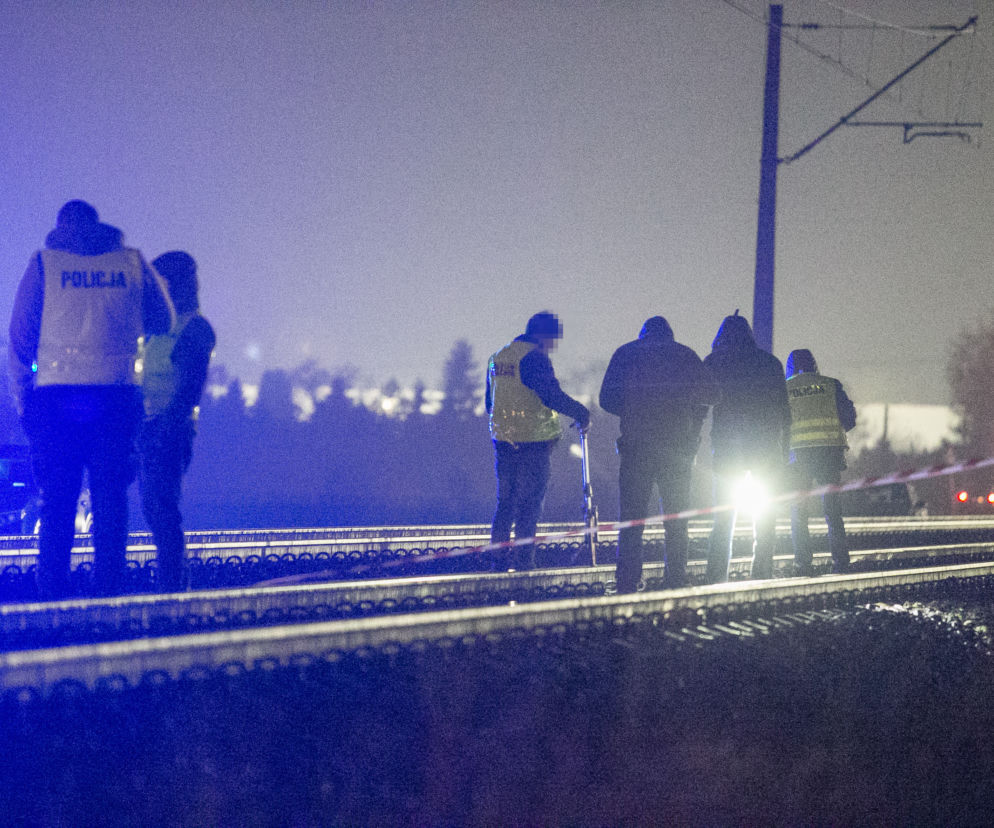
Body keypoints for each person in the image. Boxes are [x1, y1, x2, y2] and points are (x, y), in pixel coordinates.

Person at [8, 200, 174, 599]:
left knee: (57, 499)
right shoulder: (132, 263)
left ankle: (52, 591)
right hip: (116, 396)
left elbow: (20, 337)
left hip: (54, 399)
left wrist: (24, 398)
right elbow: (164, 319)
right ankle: (108, 590)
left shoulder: (44, 265)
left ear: (60, 226)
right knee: (111, 497)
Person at [599, 316, 719, 593]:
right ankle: (675, 580)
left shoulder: (625, 353)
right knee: (676, 520)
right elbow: (714, 394)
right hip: (676, 449)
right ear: (669, 334)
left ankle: (627, 581)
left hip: (636, 447)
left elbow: (606, 399)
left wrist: (631, 409)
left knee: (632, 520)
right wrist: (686, 405)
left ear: (643, 334)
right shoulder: (685, 354)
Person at [486, 311, 590, 570]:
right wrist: (581, 412)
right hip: (533, 441)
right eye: (553, 338)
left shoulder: (498, 357)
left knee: (505, 503)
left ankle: (498, 562)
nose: (554, 344)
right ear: (543, 335)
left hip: (503, 441)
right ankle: (524, 563)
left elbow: (490, 402)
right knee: (529, 505)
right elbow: (550, 395)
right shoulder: (534, 358)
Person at [139, 251, 216, 591]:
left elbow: (188, 389)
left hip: (169, 431)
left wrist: (165, 428)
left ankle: (172, 588)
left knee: (161, 508)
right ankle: (172, 585)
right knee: (154, 507)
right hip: (148, 427)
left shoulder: (194, 329)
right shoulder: (161, 327)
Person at [703, 311, 790, 583]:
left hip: (727, 449)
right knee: (765, 517)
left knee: (723, 515)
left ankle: (716, 576)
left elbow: (698, 407)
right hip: (765, 449)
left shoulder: (714, 362)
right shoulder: (770, 363)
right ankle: (761, 572)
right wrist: (784, 451)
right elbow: (784, 412)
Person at [784, 348, 856, 576]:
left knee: (799, 512)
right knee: (833, 513)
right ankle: (841, 563)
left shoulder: (785, 388)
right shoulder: (831, 385)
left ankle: (803, 564)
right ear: (814, 365)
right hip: (828, 456)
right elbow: (850, 419)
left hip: (797, 458)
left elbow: (777, 422)